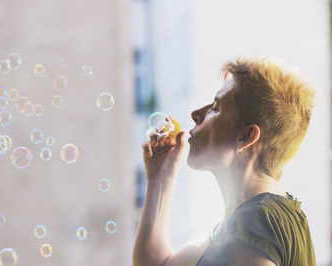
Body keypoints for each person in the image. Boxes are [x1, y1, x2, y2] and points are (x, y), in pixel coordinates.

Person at [132, 57, 316, 266]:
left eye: (216, 108)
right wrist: (160, 178)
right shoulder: (245, 224)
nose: (196, 114)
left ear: (246, 137)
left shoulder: (257, 221)